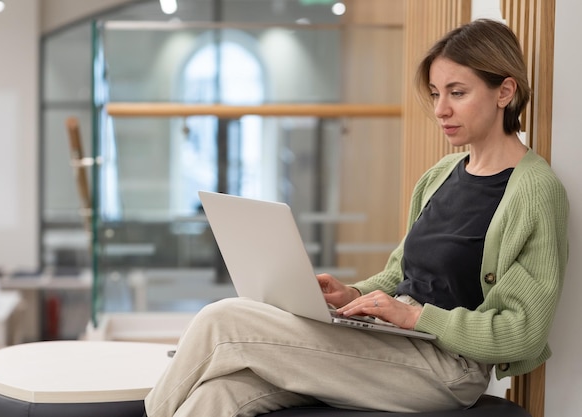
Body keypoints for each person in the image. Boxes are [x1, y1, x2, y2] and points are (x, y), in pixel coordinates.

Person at [144, 19, 569, 417]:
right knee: (220, 393)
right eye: (436, 93)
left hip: (446, 367)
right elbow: (401, 274)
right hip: (392, 342)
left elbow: (524, 331)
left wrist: (416, 318)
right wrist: (352, 296)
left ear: (504, 91)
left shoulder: (534, 191)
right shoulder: (440, 176)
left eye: (457, 93)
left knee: (223, 320)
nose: (440, 109)